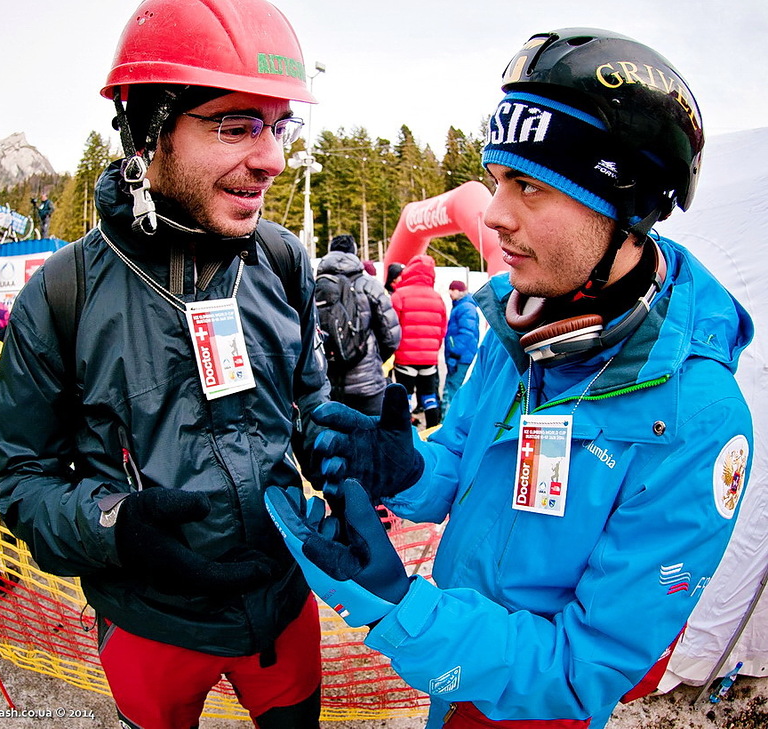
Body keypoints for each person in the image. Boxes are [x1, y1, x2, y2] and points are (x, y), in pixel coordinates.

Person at [264, 28, 755, 729]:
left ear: (627, 207)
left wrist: (400, 606)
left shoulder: (699, 418)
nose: (493, 214)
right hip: (452, 668)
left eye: (529, 186)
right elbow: (459, 465)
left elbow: (582, 667)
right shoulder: (520, 325)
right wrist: (401, 468)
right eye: (497, 181)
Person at [0, 1, 329, 727]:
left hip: (279, 607)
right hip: (149, 622)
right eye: (236, 126)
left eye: (278, 127)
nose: (271, 158)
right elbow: (21, 481)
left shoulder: (281, 260)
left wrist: (357, 449)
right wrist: (115, 525)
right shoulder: (60, 296)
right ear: (149, 133)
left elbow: (313, 411)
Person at [316, 234, 400, 416]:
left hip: (328, 383)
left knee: (333, 440)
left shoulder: (314, 286)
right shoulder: (370, 285)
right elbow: (391, 337)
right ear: (354, 253)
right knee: (371, 438)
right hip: (367, 385)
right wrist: (374, 359)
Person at [390, 254, 447, 428]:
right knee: (429, 396)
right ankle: (432, 432)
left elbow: (392, 327)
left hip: (404, 358)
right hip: (429, 359)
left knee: (405, 397)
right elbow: (442, 330)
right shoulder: (438, 298)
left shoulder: (399, 295)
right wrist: (433, 350)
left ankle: (405, 433)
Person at [441, 280, 479, 416]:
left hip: (459, 358)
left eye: (453, 289)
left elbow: (466, 334)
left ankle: (444, 425)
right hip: (461, 356)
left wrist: (454, 353)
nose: (450, 293)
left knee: (451, 392)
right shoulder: (463, 306)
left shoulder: (465, 308)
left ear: (459, 291)